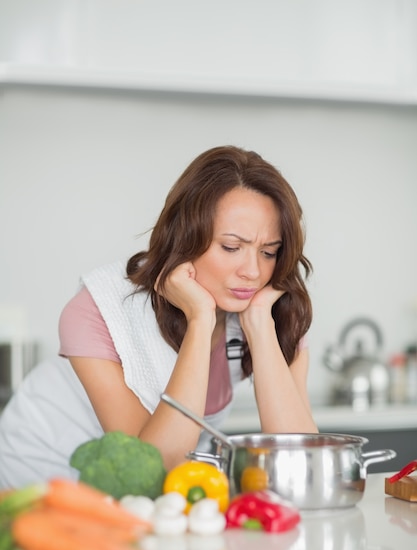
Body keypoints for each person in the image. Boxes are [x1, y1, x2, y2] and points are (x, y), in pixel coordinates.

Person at [0, 145, 317, 489]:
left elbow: (299, 460)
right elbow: (150, 468)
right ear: (186, 236)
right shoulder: (99, 309)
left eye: (269, 252)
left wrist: (260, 325)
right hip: (42, 475)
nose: (254, 271)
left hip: (144, 493)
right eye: (230, 247)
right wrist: (200, 320)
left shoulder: (271, 311)